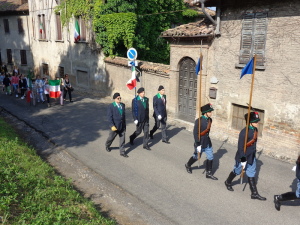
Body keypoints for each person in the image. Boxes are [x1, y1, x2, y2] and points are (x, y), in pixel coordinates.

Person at [224, 112, 266, 200]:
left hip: (251, 156)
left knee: (251, 173)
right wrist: (243, 157)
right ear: (250, 122)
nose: (257, 123)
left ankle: (254, 193)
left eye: (257, 121)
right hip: (242, 157)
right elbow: (240, 147)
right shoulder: (244, 132)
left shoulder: (255, 130)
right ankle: (228, 182)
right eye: (255, 121)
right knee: (237, 171)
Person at [184, 103, 218, 180]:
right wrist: (198, 144)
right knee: (196, 157)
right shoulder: (198, 121)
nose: (211, 113)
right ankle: (188, 165)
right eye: (209, 112)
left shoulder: (210, 120)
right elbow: (195, 133)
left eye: (211, 112)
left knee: (210, 157)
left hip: (207, 142)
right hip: (200, 142)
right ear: (205, 112)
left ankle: (208, 173)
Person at [105, 93, 128, 158]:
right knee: (111, 138)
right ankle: (107, 145)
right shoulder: (111, 106)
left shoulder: (123, 105)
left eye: (120, 98)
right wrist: (112, 125)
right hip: (115, 126)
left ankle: (122, 152)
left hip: (122, 126)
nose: (119, 99)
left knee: (122, 139)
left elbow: (123, 116)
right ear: (115, 99)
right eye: (118, 98)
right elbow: (109, 117)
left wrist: (124, 125)